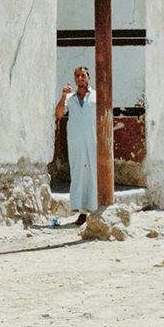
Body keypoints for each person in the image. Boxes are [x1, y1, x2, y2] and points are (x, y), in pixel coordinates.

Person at [55, 66, 98, 224]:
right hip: (76, 141)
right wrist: (63, 96)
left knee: (93, 172)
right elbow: (58, 114)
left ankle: (95, 209)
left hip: (93, 140)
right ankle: (82, 211)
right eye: (77, 76)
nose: (80, 78)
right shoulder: (70, 98)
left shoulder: (95, 96)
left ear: (88, 77)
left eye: (82, 75)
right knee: (78, 172)